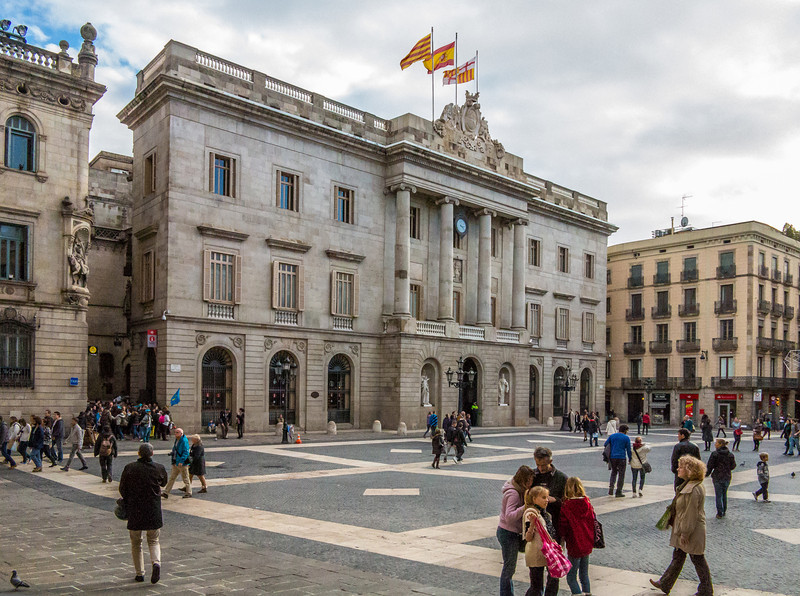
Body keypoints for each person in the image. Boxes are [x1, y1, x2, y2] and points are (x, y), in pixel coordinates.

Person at [650, 455, 713, 596]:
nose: (678, 469)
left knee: (697, 559)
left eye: (681, 467)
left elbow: (690, 513)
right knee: (678, 556)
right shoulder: (687, 486)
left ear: (689, 470)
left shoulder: (692, 489)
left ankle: (706, 590)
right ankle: (665, 583)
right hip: (686, 528)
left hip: (691, 530)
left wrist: (685, 532)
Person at [119, 443, 168, 583]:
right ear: (152, 454)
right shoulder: (159, 468)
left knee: (136, 542)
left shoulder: (129, 468)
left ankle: (140, 573)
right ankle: (156, 563)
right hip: (153, 509)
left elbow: (122, 489)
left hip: (135, 509)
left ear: (138, 453)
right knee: (153, 540)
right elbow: (163, 483)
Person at [530, 446, 567, 596]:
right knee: (536, 567)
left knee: (553, 568)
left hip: (555, 528)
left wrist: (555, 500)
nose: (540, 468)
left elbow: (566, 502)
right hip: (537, 528)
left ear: (550, 461)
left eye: (543, 465)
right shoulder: (533, 475)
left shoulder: (561, 478)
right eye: (538, 465)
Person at [496, 465, 535, 596]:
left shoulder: (520, 489)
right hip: (508, 532)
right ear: (523, 480)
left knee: (510, 566)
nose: (531, 483)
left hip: (514, 532)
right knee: (509, 567)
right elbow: (509, 517)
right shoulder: (513, 493)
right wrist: (526, 506)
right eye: (529, 480)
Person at [559, 477, 595, 596]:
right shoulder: (587, 502)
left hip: (575, 544)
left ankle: (577, 594)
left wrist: (561, 540)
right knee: (584, 574)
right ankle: (587, 593)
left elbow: (563, 527)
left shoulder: (567, 505)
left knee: (571, 577)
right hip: (587, 542)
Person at [523, 486, 557, 596]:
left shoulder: (545, 513)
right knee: (536, 587)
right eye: (543, 497)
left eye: (547, 497)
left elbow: (549, 531)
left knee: (554, 579)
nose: (546, 500)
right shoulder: (530, 512)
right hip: (536, 553)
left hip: (548, 552)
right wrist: (532, 523)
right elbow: (528, 538)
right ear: (534, 499)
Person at [705, 438, 736, 518]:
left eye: (716, 443)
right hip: (727, 475)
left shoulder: (715, 454)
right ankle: (724, 510)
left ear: (719, 444)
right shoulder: (730, 454)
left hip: (717, 475)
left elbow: (710, 466)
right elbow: (733, 466)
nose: (715, 444)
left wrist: (706, 474)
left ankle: (719, 512)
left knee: (718, 494)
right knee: (724, 493)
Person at [162, 428, 192, 499]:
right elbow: (175, 449)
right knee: (172, 478)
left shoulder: (184, 441)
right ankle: (166, 492)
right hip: (176, 461)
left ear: (181, 433)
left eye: (177, 432)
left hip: (182, 463)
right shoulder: (177, 440)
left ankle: (189, 492)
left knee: (185, 478)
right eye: (175, 432)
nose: (175, 434)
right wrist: (172, 453)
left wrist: (182, 461)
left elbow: (185, 452)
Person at [604, 423, 632, 497]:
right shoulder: (626, 438)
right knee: (621, 474)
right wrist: (630, 458)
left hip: (613, 457)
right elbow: (628, 449)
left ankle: (611, 489)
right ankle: (619, 491)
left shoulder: (613, 436)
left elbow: (605, 444)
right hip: (621, 457)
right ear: (625, 430)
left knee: (613, 472)